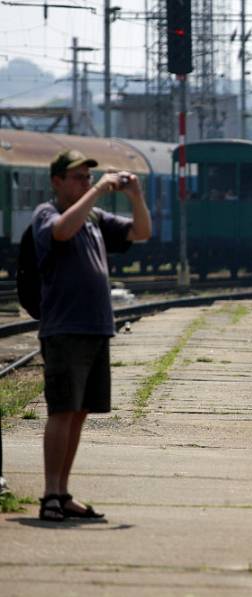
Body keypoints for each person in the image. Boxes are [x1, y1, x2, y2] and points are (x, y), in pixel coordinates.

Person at [34, 150, 151, 521]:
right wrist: (98, 191)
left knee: (80, 412)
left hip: (96, 327)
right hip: (66, 328)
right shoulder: (47, 214)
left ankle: (63, 491)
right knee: (62, 410)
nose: (85, 183)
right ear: (57, 182)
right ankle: (50, 493)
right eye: (77, 178)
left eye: (88, 178)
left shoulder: (96, 220)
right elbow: (62, 231)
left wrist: (136, 197)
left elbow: (141, 232)